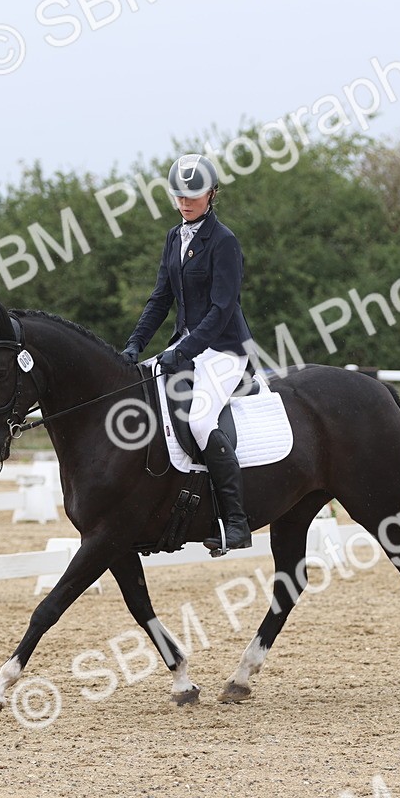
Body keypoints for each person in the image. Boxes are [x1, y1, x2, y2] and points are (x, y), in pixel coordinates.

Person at [121, 153, 254, 554]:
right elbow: (160, 299)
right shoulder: (173, 237)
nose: (185, 201)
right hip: (188, 344)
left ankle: (236, 523)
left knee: (198, 420)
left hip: (225, 349)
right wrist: (135, 344)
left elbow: (221, 309)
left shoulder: (224, 241)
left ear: (212, 194)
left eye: (193, 194)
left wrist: (187, 351)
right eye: (178, 194)